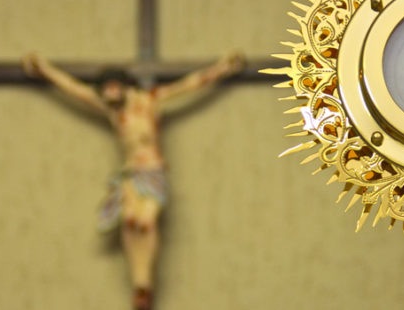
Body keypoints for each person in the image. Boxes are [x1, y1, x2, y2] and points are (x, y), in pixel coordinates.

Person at [22, 52, 244, 310]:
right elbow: (74, 89)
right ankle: (140, 285)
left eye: (113, 87)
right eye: (105, 90)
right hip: (130, 173)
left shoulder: (149, 101)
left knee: (146, 222)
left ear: (124, 85)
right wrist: (45, 69)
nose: (110, 94)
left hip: (153, 171)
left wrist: (221, 69)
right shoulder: (112, 111)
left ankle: (146, 280)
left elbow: (189, 85)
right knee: (130, 221)